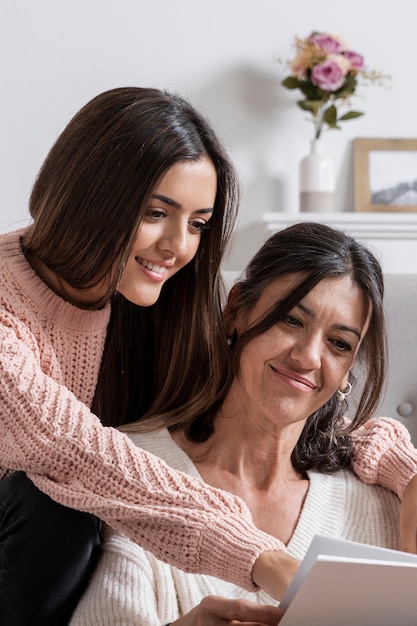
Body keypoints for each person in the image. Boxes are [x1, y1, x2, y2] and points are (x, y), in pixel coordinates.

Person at [0, 88, 417, 624]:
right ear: (91, 196)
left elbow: (293, 401)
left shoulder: (144, 294)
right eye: (156, 212)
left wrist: (407, 471)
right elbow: (77, 455)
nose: (178, 245)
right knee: (55, 505)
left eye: (197, 223)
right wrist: (263, 557)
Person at [69, 222, 415, 625]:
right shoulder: (132, 471)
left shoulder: (381, 501)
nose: (307, 357)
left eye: (338, 344)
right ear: (235, 311)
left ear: (348, 368)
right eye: (291, 320)